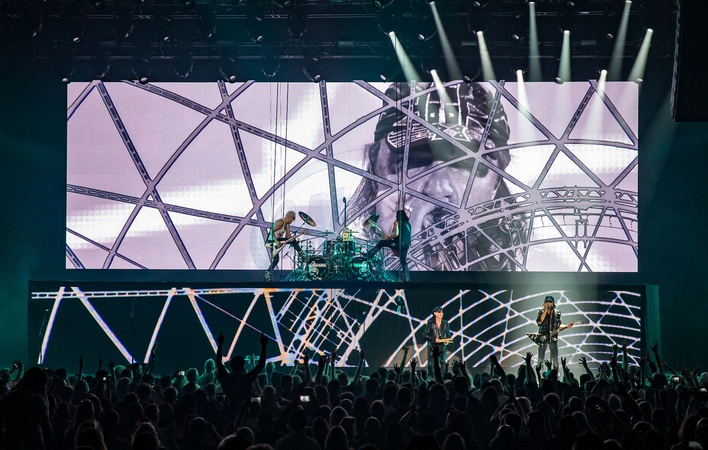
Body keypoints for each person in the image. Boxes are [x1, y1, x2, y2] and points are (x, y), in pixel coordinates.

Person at [350, 81, 525, 272]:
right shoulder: (339, 283)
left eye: (464, 163)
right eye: (413, 160)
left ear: (496, 181)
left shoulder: (529, 287)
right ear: (376, 173)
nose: (438, 188)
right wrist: (400, 262)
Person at [365, 209, 411, 281]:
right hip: (406, 245)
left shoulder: (397, 222)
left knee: (381, 243)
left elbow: (396, 234)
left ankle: (369, 255)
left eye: (396, 215)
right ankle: (407, 279)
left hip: (399, 243)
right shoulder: (408, 224)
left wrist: (390, 238)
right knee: (403, 261)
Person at [264, 210, 305, 282]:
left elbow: (288, 236)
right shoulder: (280, 222)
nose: (292, 221)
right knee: (276, 260)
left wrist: (294, 239)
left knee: (293, 241)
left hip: (278, 240)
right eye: (292, 219)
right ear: (289, 217)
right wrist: (277, 242)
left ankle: (301, 254)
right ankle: (267, 274)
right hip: (272, 241)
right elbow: (272, 233)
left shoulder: (287, 225)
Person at [535, 295, 574, 369]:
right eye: (547, 302)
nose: (548, 303)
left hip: (553, 338)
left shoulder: (557, 313)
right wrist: (546, 310)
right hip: (542, 338)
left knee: (555, 358)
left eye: (550, 302)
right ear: (544, 303)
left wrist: (566, 326)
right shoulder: (541, 312)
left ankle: (555, 373)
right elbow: (539, 322)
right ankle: (539, 373)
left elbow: (559, 325)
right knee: (540, 359)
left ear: (553, 303)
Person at [424, 305, 452, 370]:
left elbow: (449, 336)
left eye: (442, 312)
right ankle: (431, 375)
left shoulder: (446, 324)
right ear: (435, 313)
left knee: (442, 363)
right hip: (432, 347)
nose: (441, 313)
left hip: (442, 347)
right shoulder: (430, 323)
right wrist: (434, 339)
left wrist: (446, 341)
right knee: (431, 364)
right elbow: (425, 335)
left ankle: (442, 375)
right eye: (439, 312)